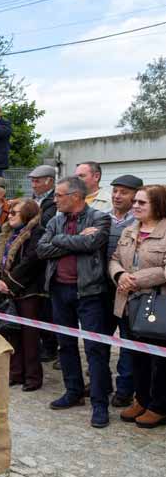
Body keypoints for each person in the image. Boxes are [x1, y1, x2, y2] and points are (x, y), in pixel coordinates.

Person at [36, 176, 112, 428]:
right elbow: (41, 249)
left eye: (59, 195)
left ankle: (100, 403)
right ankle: (73, 391)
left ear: (75, 197)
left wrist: (63, 240)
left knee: (95, 348)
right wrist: (75, 241)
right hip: (59, 291)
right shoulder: (55, 220)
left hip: (89, 293)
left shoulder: (100, 218)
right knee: (65, 344)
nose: (54, 199)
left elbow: (92, 242)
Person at [109, 185, 166, 428]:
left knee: (160, 361)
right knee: (137, 357)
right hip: (129, 304)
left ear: (158, 205)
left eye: (142, 203)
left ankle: (159, 406)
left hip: (158, 307)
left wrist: (137, 279)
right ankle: (141, 399)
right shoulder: (129, 229)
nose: (136, 206)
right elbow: (114, 259)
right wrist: (120, 274)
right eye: (136, 202)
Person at [0, 199, 46, 391]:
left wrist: (9, 283)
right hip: (6, 290)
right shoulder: (6, 233)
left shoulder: (37, 233)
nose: (11, 215)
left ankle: (32, 376)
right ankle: (15, 373)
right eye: (10, 212)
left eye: (15, 212)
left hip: (28, 292)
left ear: (28, 215)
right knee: (10, 332)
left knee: (29, 336)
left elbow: (32, 262)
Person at [106, 175, 143, 409]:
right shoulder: (101, 218)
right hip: (104, 288)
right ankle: (101, 383)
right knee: (98, 341)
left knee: (128, 343)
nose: (117, 196)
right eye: (115, 191)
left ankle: (125, 389)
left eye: (124, 192)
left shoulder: (139, 222)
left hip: (130, 291)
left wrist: (127, 279)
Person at [28, 165, 59, 364]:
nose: (33, 184)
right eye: (32, 180)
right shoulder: (35, 199)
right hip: (35, 256)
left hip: (47, 259)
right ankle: (43, 343)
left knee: (48, 308)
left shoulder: (53, 201)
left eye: (37, 180)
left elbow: (46, 225)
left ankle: (50, 346)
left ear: (49, 181)